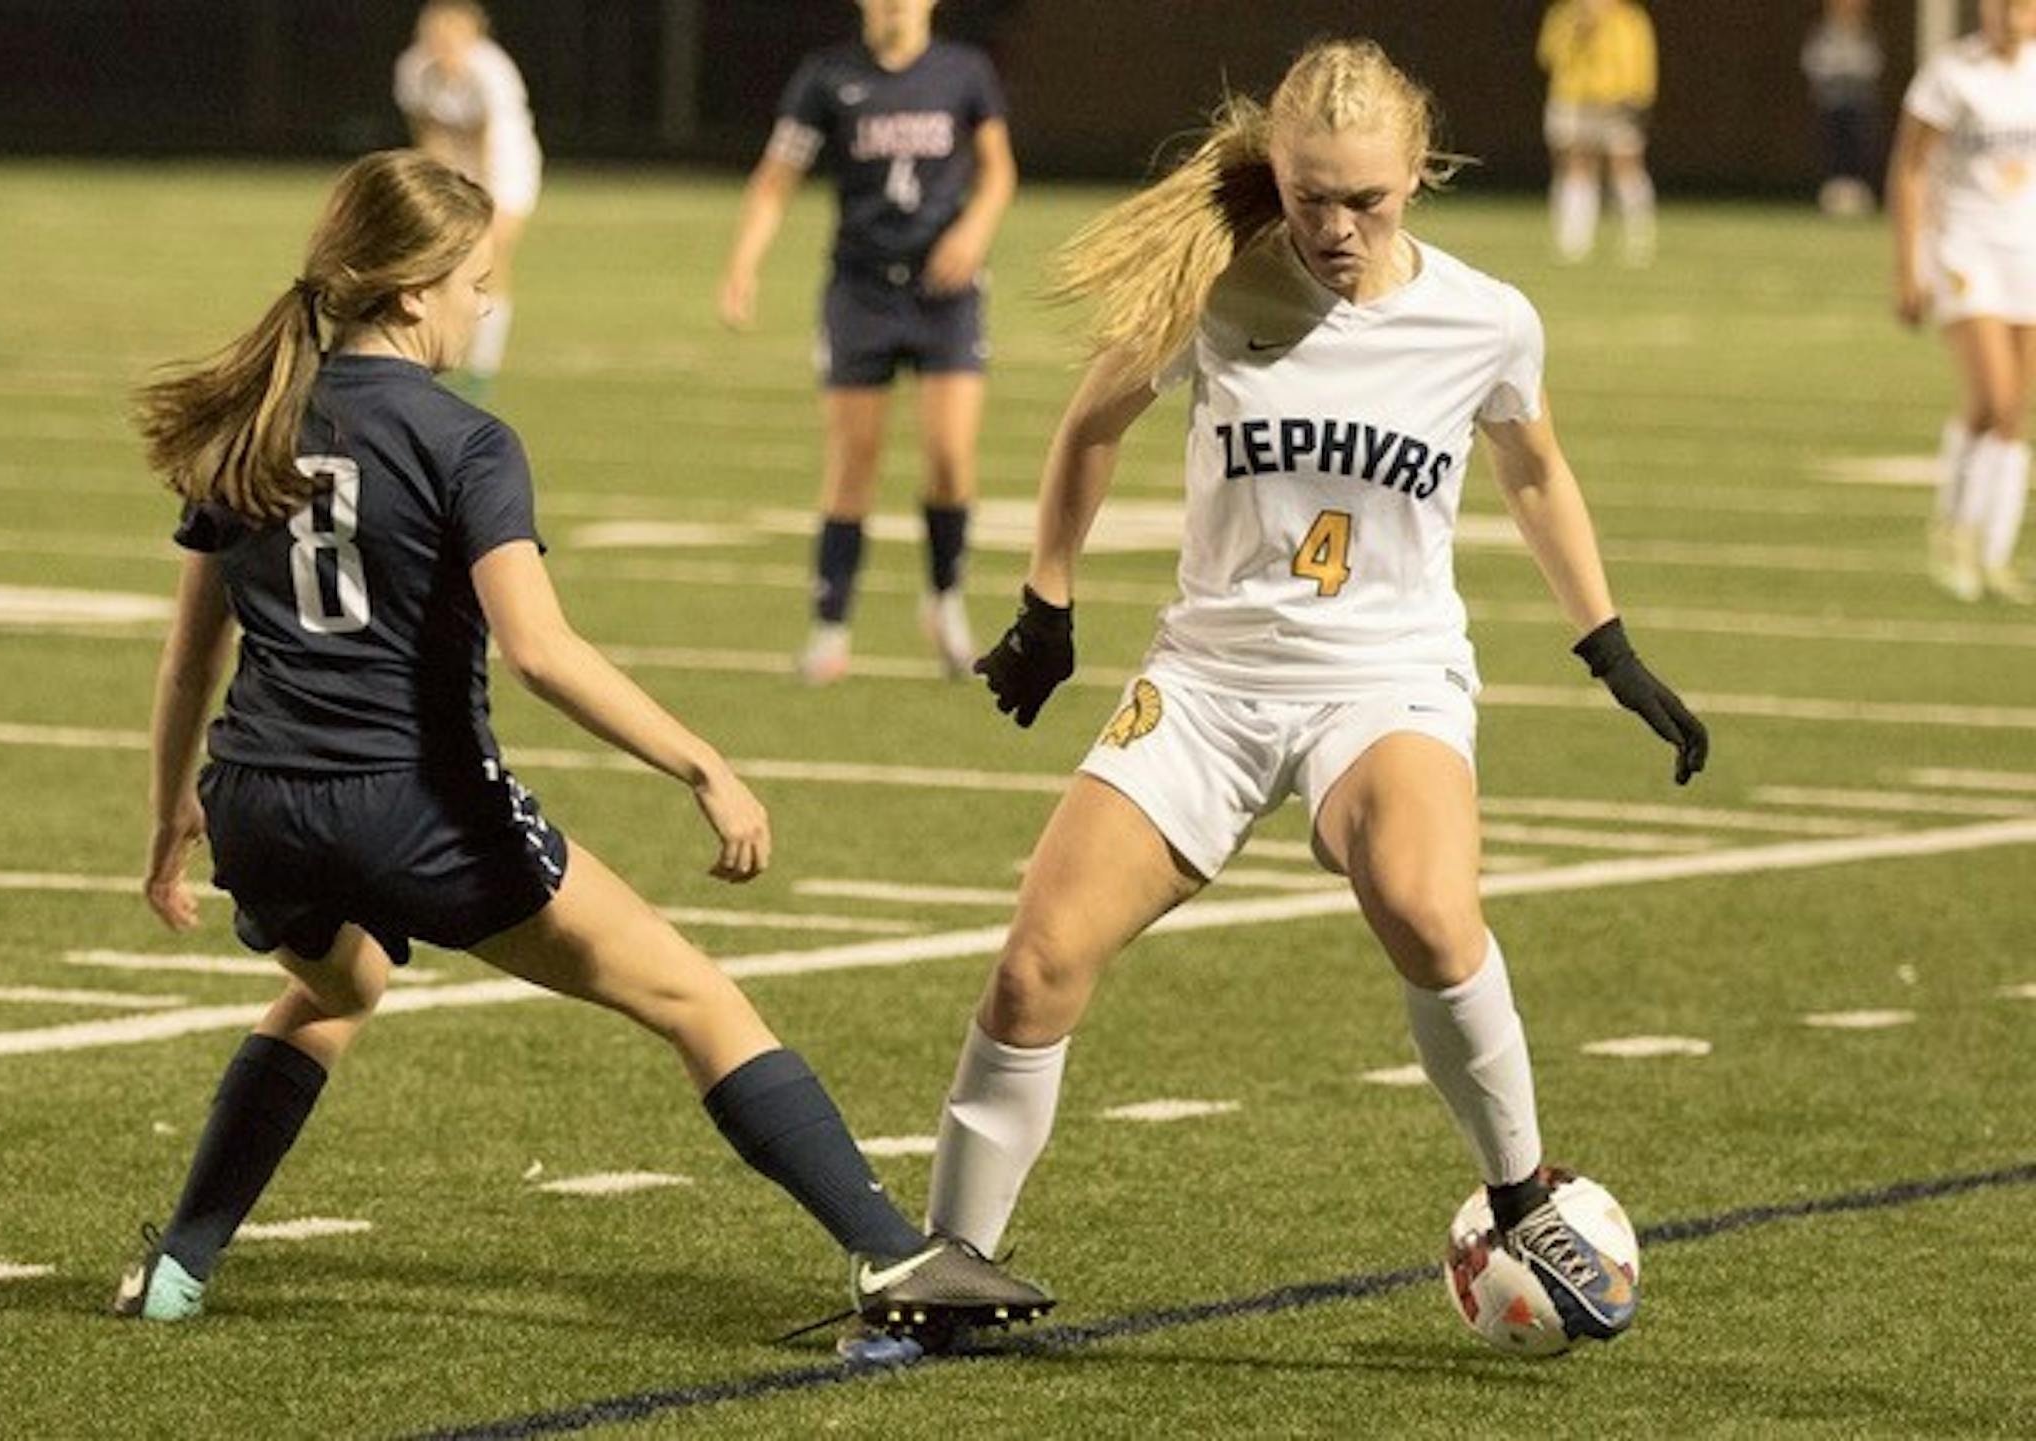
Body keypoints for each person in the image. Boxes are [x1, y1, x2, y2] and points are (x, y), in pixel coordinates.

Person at [115, 150, 1049, 1352]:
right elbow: (542, 652)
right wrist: (701, 762)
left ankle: (180, 1263)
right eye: (477, 283)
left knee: (337, 986)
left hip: (258, 802)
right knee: (693, 996)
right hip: (412, 805)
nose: (484, 305)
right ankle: (890, 1247)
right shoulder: (467, 442)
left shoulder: (247, 425)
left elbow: (192, 657)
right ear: (411, 293)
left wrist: (168, 819)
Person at [927, 39, 1711, 1351]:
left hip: (1386, 680)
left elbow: (1533, 469)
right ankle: (953, 1264)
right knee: (1033, 969)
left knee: (1421, 900)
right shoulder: (1215, 284)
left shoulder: (1487, 319)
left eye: (1369, 201)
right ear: (1275, 178)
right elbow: (1089, 428)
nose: (1340, 229)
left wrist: (1609, 642)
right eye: (1312, 200)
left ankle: (1523, 1193)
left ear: (1419, 171)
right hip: (1211, 681)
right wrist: (1045, 601)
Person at [719, 0, 1018, 685]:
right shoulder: (826, 77)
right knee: (853, 459)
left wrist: (972, 232)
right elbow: (776, 180)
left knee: (949, 454)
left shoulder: (963, 72)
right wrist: (743, 264)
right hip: (861, 290)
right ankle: (830, 628)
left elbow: (999, 171)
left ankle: (944, 598)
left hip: (946, 292)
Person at [1889, 0, 2036, 604]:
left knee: (2013, 412)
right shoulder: (1951, 74)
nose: (2009, 13)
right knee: (1994, 398)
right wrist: (1909, 264)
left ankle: (1994, 554)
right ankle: (1953, 531)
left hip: (2025, 253)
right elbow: (1911, 168)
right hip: (1965, 252)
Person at [394, 0, 539, 404]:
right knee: (438, 259)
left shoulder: (491, 70)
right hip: (458, 169)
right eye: (437, 37)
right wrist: (435, 188)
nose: (445, 46)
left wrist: (483, 200)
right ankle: (434, 355)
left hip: (506, 169)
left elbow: (489, 139)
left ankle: (482, 367)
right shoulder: (414, 68)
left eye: (455, 38)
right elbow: (430, 134)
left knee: (487, 257)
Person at [1537, 0, 1659, 265]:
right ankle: (1573, 241)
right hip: (1573, 99)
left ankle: (1638, 237)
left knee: (1625, 166)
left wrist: (1638, 98)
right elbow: (1547, 56)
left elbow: (1641, 63)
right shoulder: (1564, 15)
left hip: (1616, 102)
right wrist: (1579, 30)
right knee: (1576, 167)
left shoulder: (1629, 19)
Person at [1802, 0, 1886, 217]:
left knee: (1858, 148)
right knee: (1834, 148)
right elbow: (1813, 62)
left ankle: (1858, 195)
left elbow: (1873, 64)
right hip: (1832, 103)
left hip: (1858, 103)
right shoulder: (1824, 33)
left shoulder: (1864, 35)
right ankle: (1834, 195)